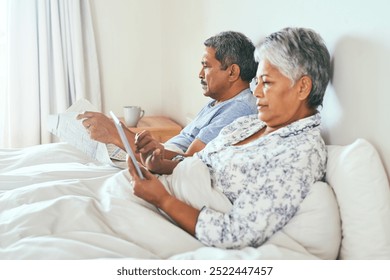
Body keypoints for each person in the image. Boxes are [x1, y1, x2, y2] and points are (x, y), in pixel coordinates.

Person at [128, 27, 331, 249]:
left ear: (302, 87)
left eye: (267, 82)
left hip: (171, 209)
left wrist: (161, 199)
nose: (256, 93)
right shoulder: (248, 124)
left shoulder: (299, 153)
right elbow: (198, 161)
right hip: (161, 191)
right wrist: (163, 164)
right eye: (257, 82)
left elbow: (235, 233)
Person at [77, 31, 258, 162]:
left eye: (206, 66)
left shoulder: (240, 108)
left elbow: (189, 161)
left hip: (166, 165)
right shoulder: (218, 101)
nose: (200, 74)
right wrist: (123, 135)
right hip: (162, 153)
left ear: (233, 72)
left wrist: (116, 134)